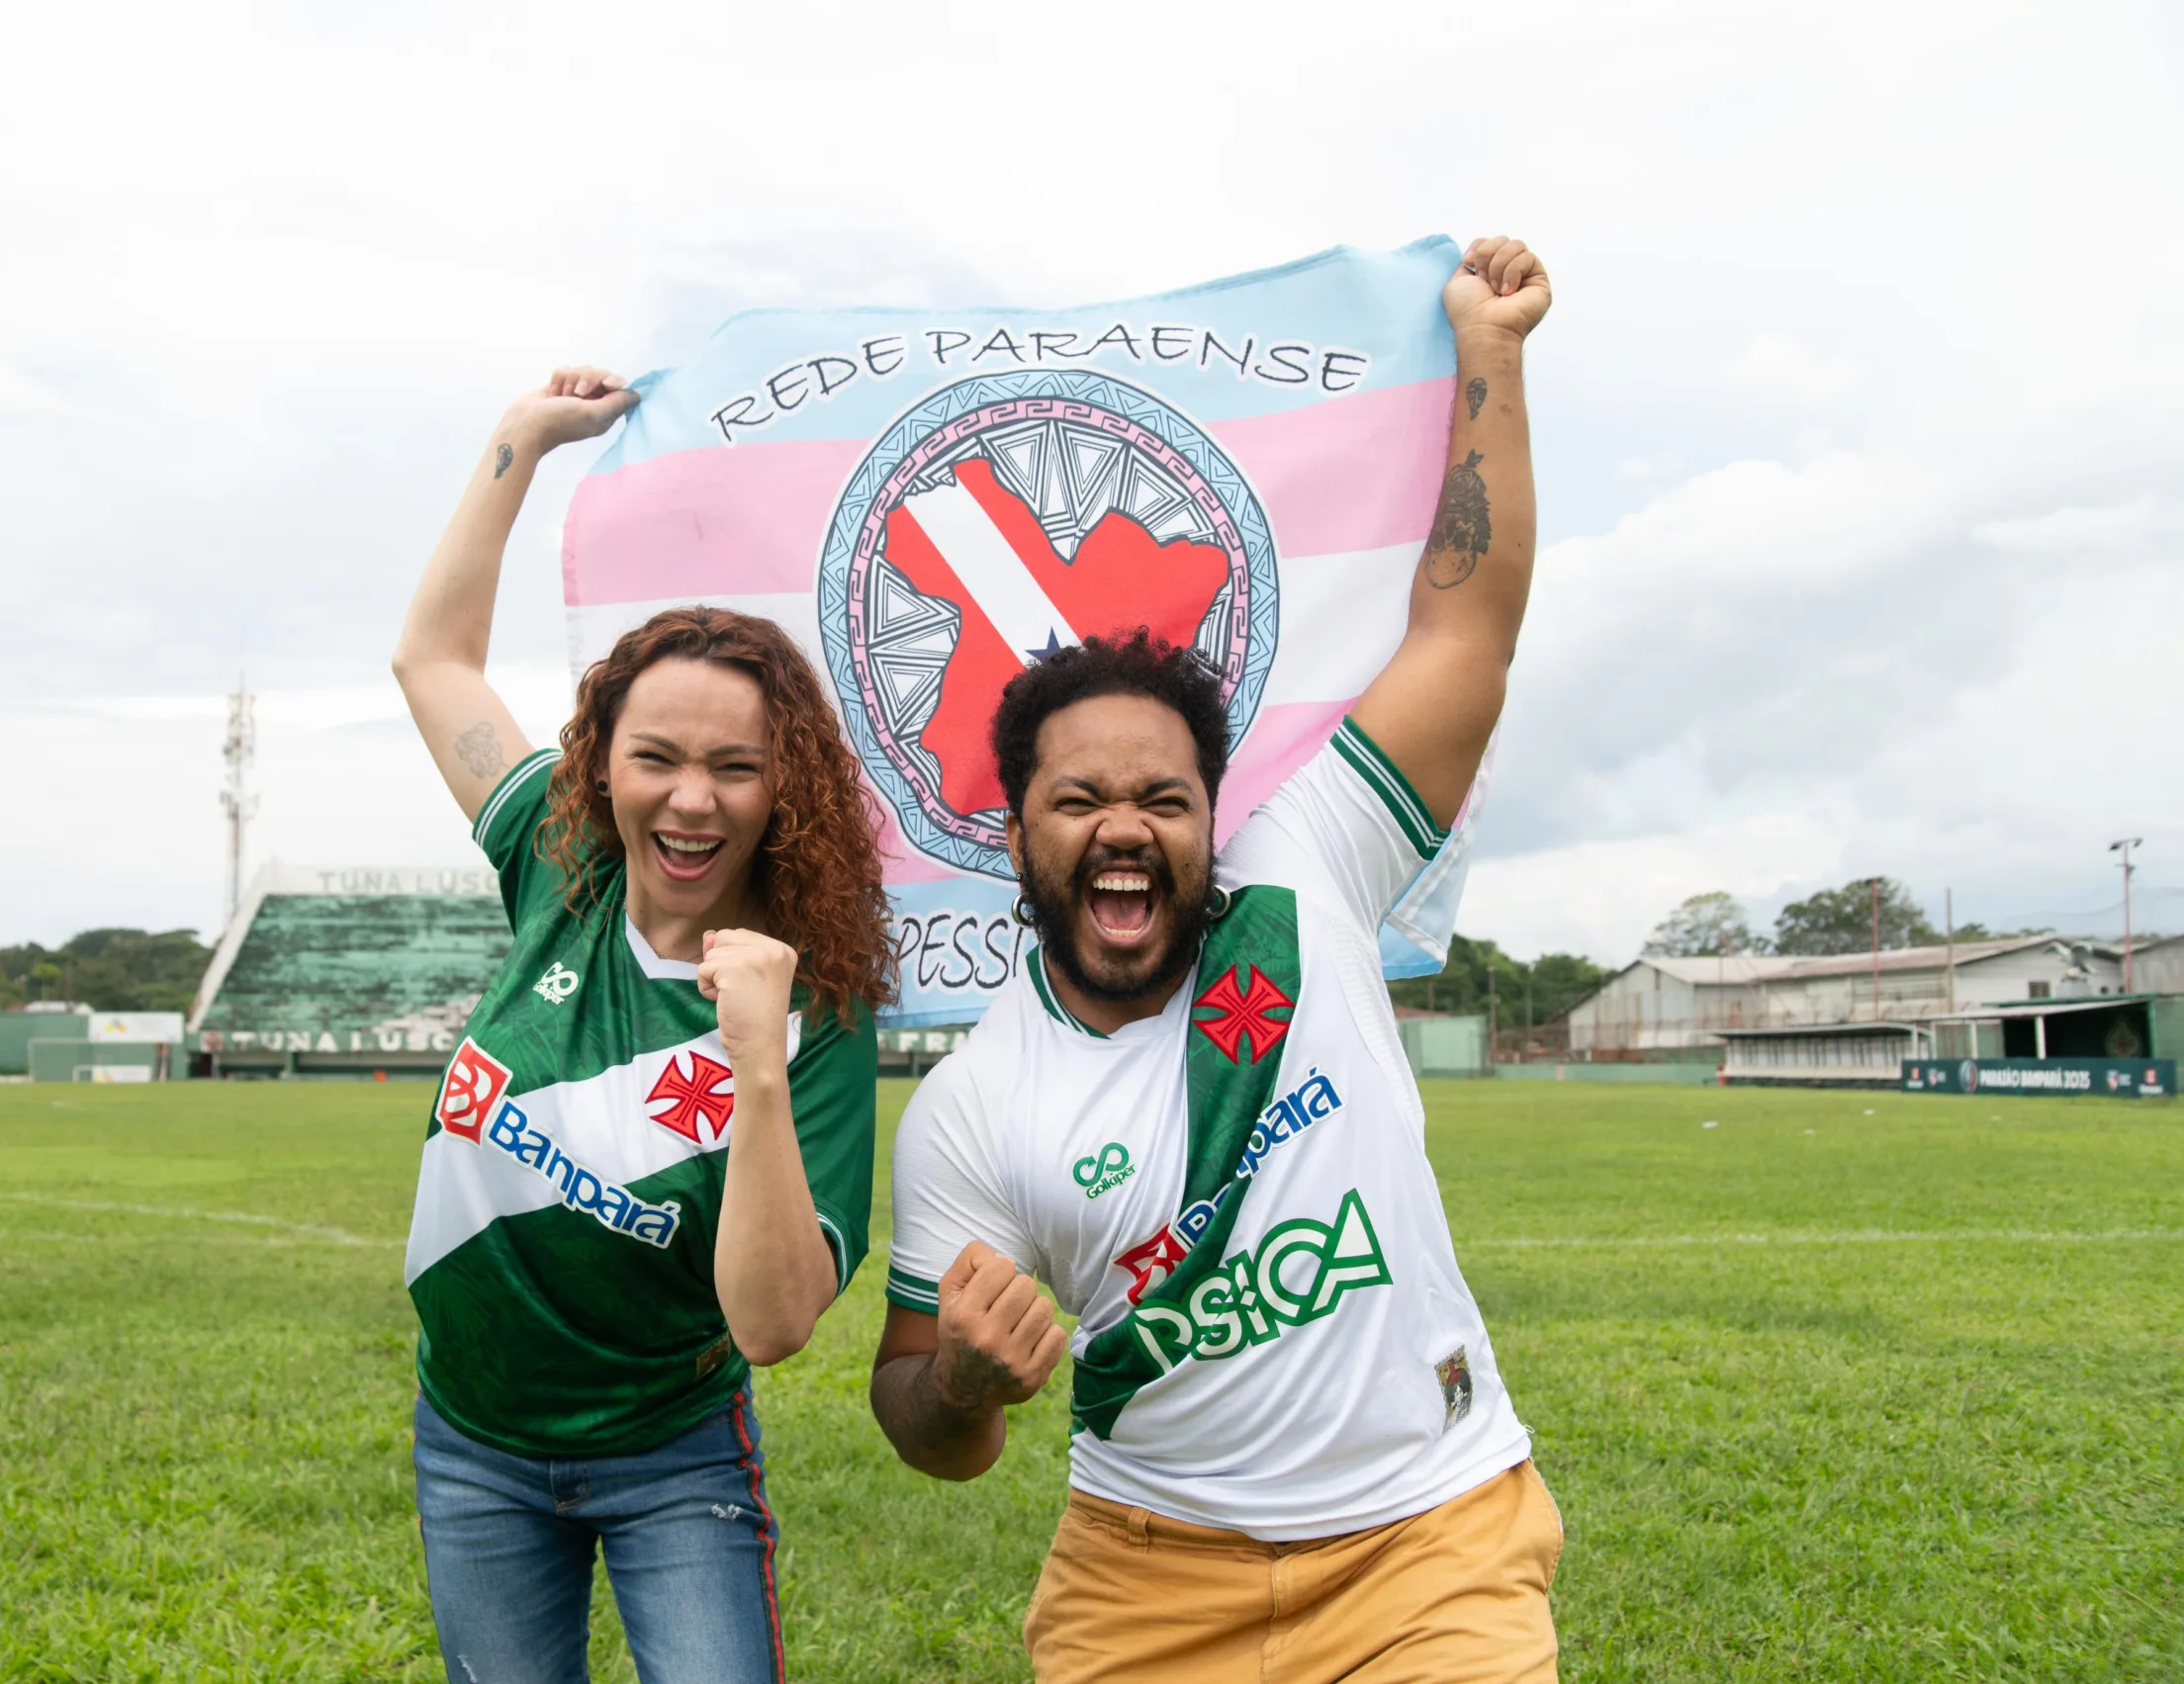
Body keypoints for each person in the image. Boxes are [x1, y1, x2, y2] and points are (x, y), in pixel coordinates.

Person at [868, 238, 1560, 1683]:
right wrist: (966, 1386)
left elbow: (1468, 623)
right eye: (1079, 801)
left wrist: (1487, 354)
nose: (1125, 827)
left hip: (1432, 1543)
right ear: (1016, 835)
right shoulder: (970, 1109)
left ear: (1212, 820)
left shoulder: (1308, 873)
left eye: (1165, 799)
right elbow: (923, 1420)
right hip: (1145, 1584)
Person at [394, 366, 894, 1684]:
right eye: (656, 756)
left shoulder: (818, 1009)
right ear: (599, 761)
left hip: (671, 1459)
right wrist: (520, 439)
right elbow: (431, 658)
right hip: (472, 1441)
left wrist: (758, 1066)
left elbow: (777, 1322)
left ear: (785, 790)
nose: (691, 800)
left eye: (736, 767)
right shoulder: (558, 866)